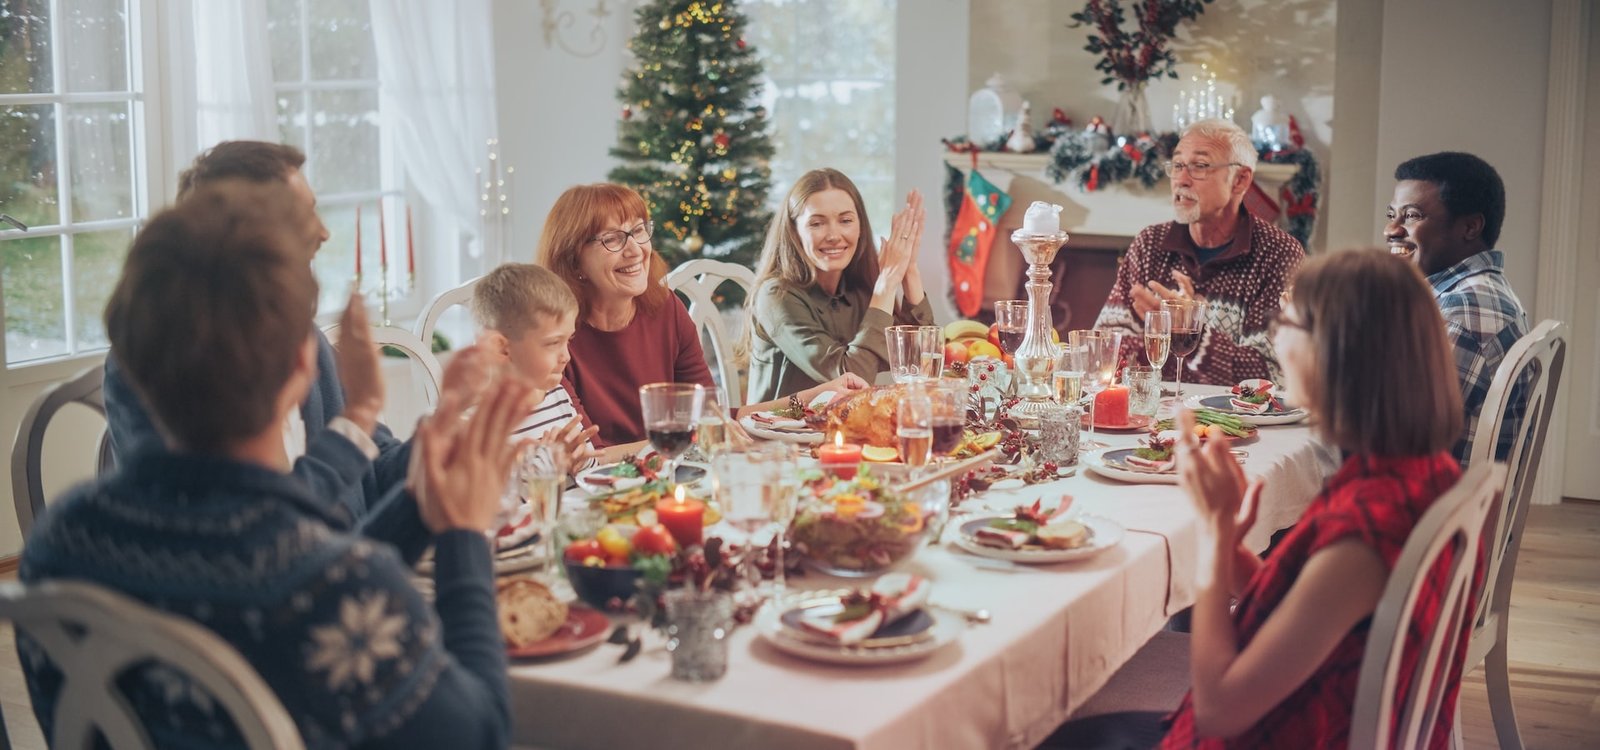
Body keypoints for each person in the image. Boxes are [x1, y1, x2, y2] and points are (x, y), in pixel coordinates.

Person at [20, 184, 529, 749]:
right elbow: (482, 736)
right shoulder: (329, 586)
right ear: (301, 364)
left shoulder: (58, 539)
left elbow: (305, 569)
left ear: (132, 356)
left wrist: (422, 498)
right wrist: (461, 534)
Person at [1161, 248, 1477, 748]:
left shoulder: (1368, 528)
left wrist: (1213, 534)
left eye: (1287, 320)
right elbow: (1309, 603)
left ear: (1334, 352)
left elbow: (1220, 709)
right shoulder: (1418, 471)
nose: (1275, 335)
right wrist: (1233, 550)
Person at [103, 140, 412, 527]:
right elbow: (239, 529)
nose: (324, 232)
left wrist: (444, 441)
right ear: (244, 233)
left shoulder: (304, 335)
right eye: (304, 216)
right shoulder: (150, 364)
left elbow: (372, 466)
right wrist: (356, 422)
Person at [538, 184, 865, 447]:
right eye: (612, 239)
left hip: (675, 476)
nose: (635, 249)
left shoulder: (665, 308)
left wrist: (820, 394)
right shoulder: (556, 337)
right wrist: (694, 435)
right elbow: (587, 457)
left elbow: (715, 416)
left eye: (638, 231)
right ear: (574, 262)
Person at [1093, 119, 1303, 385]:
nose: (1181, 179)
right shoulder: (1150, 244)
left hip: (1237, 425)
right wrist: (1158, 327)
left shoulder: (1278, 255)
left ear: (1240, 180)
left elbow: (1275, 375)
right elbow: (1102, 354)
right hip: (1155, 418)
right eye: (1178, 165)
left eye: (1200, 166)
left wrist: (1193, 334)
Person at [1387, 152, 1530, 467]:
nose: (1392, 229)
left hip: (1434, 510)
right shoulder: (1476, 291)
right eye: (1391, 214)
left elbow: (1403, 440)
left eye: (1410, 215)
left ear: (1470, 227)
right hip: (1459, 499)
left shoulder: (1463, 309)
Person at [743, 168, 935, 402]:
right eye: (817, 223)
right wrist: (885, 286)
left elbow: (919, 362)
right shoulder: (776, 296)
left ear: (860, 227)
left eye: (845, 221)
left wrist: (909, 270)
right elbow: (852, 379)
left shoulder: (858, 288)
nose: (834, 235)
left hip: (843, 431)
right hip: (782, 435)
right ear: (794, 232)